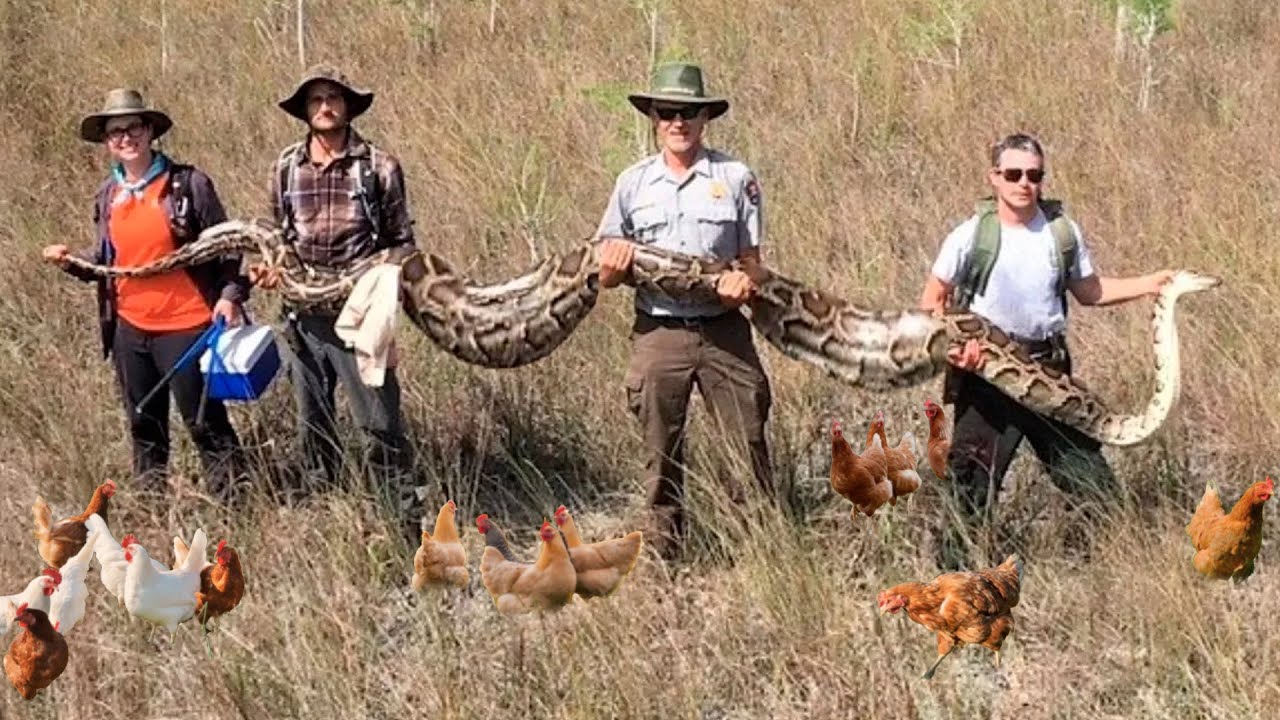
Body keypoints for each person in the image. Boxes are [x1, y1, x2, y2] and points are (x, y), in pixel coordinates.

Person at [918, 132, 1174, 566]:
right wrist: (957, 353)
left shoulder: (1061, 232)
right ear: (994, 178)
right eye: (1013, 174)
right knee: (969, 489)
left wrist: (1151, 284)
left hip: (1049, 373)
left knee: (1091, 481)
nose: (1024, 183)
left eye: (1034, 175)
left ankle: (1112, 565)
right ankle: (952, 588)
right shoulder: (970, 236)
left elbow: (1089, 291)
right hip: (987, 379)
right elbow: (932, 301)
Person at [595, 61, 775, 562]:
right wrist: (612, 265)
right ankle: (665, 557)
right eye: (668, 111)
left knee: (748, 441)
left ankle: (759, 553)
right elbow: (606, 274)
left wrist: (745, 280)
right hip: (659, 330)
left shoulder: (736, 178)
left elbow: (755, 264)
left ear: (705, 118)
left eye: (689, 112)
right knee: (660, 451)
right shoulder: (632, 183)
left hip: (724, 330)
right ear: (653, 117)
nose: (679, 121)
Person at [42, 88, 248, 499]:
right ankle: (152, 506)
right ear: (106, 142)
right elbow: (110, 261)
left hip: (188, 326)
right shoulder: (108, 195)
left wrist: (229, 295)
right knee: (143, 422)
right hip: (130, 329)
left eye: (133, 127)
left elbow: (229, 246)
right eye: (115, 131)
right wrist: (72, 262)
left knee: (203, 421)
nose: (125, 137)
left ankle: (236, 507)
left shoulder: (188, 185)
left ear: (150, 130)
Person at [260, 64, 417, 520]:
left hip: (362, 316)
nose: (325, 107)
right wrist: (271, 271)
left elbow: (402, 244)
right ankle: (328, 516)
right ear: (306, 111)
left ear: (347, 107)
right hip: (302, 316)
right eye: (316, 100)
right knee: (313, 424)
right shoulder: (286, 167)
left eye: (334, 98)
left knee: (379, 424)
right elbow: (276, 236)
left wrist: (387, 308)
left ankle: (400, 518)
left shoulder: (379, 167)